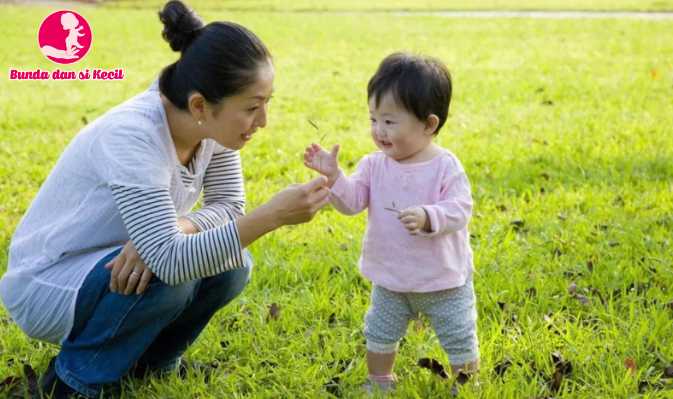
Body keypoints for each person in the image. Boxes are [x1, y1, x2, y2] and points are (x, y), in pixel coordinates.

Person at [0, 1, 330, 398]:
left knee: (232, 262)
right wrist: (273, 215)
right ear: (199, 105)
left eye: (266, 103)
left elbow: (228, 208)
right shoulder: (133, 136)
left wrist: (174, 228)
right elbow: (172, 262)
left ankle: (152, 363)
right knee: (169, 275)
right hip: (47, 281)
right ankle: (74, 379)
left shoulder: (211, 128)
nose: (262, 122)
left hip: (109, 262)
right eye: (252, 108)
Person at [303, 52, 479, 395]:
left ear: (428, 124)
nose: (378, 131)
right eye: (373, 119)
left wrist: (430, 215)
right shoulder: (374, 165)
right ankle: (379, 380)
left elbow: (460, 209)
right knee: (379, 332)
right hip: (391, 277)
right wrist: (335, 177)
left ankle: (467, 383)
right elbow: (352, 202)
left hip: (442, 279)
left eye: (389, 121)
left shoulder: (445, 166)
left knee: (459, 334)